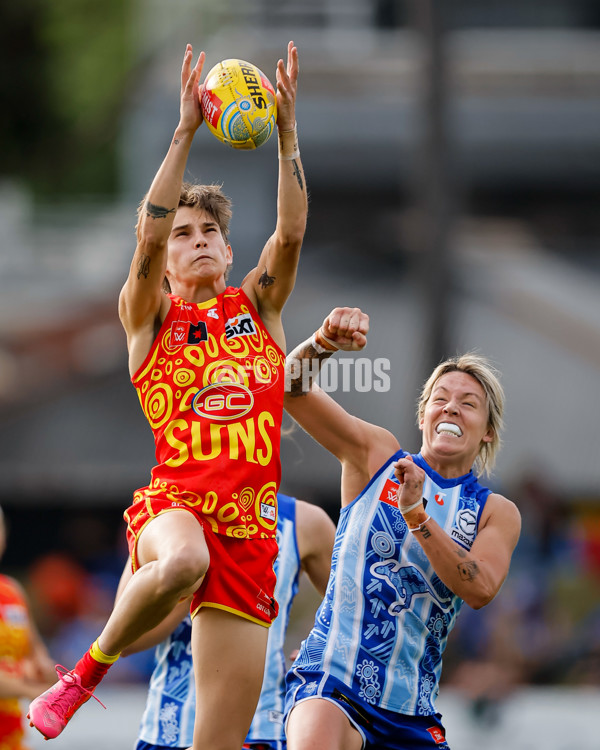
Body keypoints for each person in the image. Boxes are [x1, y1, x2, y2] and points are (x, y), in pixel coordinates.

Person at [28, 39, 307, 750]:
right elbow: (145, 246)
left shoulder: (258, 310)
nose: (198, 240)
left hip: (251, 536)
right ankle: (83, 676)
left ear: (229, 247)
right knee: (185, 562)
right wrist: (183, 130)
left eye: (210, 229)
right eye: (184, 233)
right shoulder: (151, 316)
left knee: (219, 741)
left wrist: (287, 133)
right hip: (175, 508)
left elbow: (294, 231)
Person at [282, 307, 522, 750]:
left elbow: (480, 588)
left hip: (412, 712)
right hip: (332, 682)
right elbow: (290, 389)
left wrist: (416, 514)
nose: (451, 406)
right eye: (440, 398)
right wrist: (323, 341)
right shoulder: (376, 457)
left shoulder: (495, 511)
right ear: (423, 416)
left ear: (487, 431)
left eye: (468, 403)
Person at [117, 493, 335, 750]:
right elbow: (125, 641)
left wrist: (320, 655)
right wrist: (186, 576)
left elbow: (354, 613)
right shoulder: (166, 515)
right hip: (168, 730)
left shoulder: (303, 522)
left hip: (261, 732)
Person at [0, 506, 56, 750]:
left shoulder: (12, 590)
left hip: (12, 737)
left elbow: (38, 656)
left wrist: (43, 667)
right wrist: (37, 690)